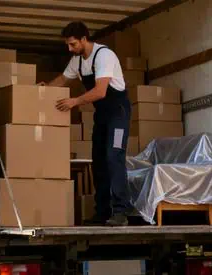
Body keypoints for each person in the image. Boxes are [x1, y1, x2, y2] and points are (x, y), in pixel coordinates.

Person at [39, 21, 132, 226]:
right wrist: (45, 90)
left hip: (118, 113)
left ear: (84, 39)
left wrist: (74, 101)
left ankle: (120, 212)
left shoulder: (104, 56)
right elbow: (63, 80)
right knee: (98, 160)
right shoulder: (78, 61)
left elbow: (100, 91)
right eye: (68, 45)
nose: (69, 48)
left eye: (72, 44)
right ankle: (102, 212)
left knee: (114, 156)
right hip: (102, 115)